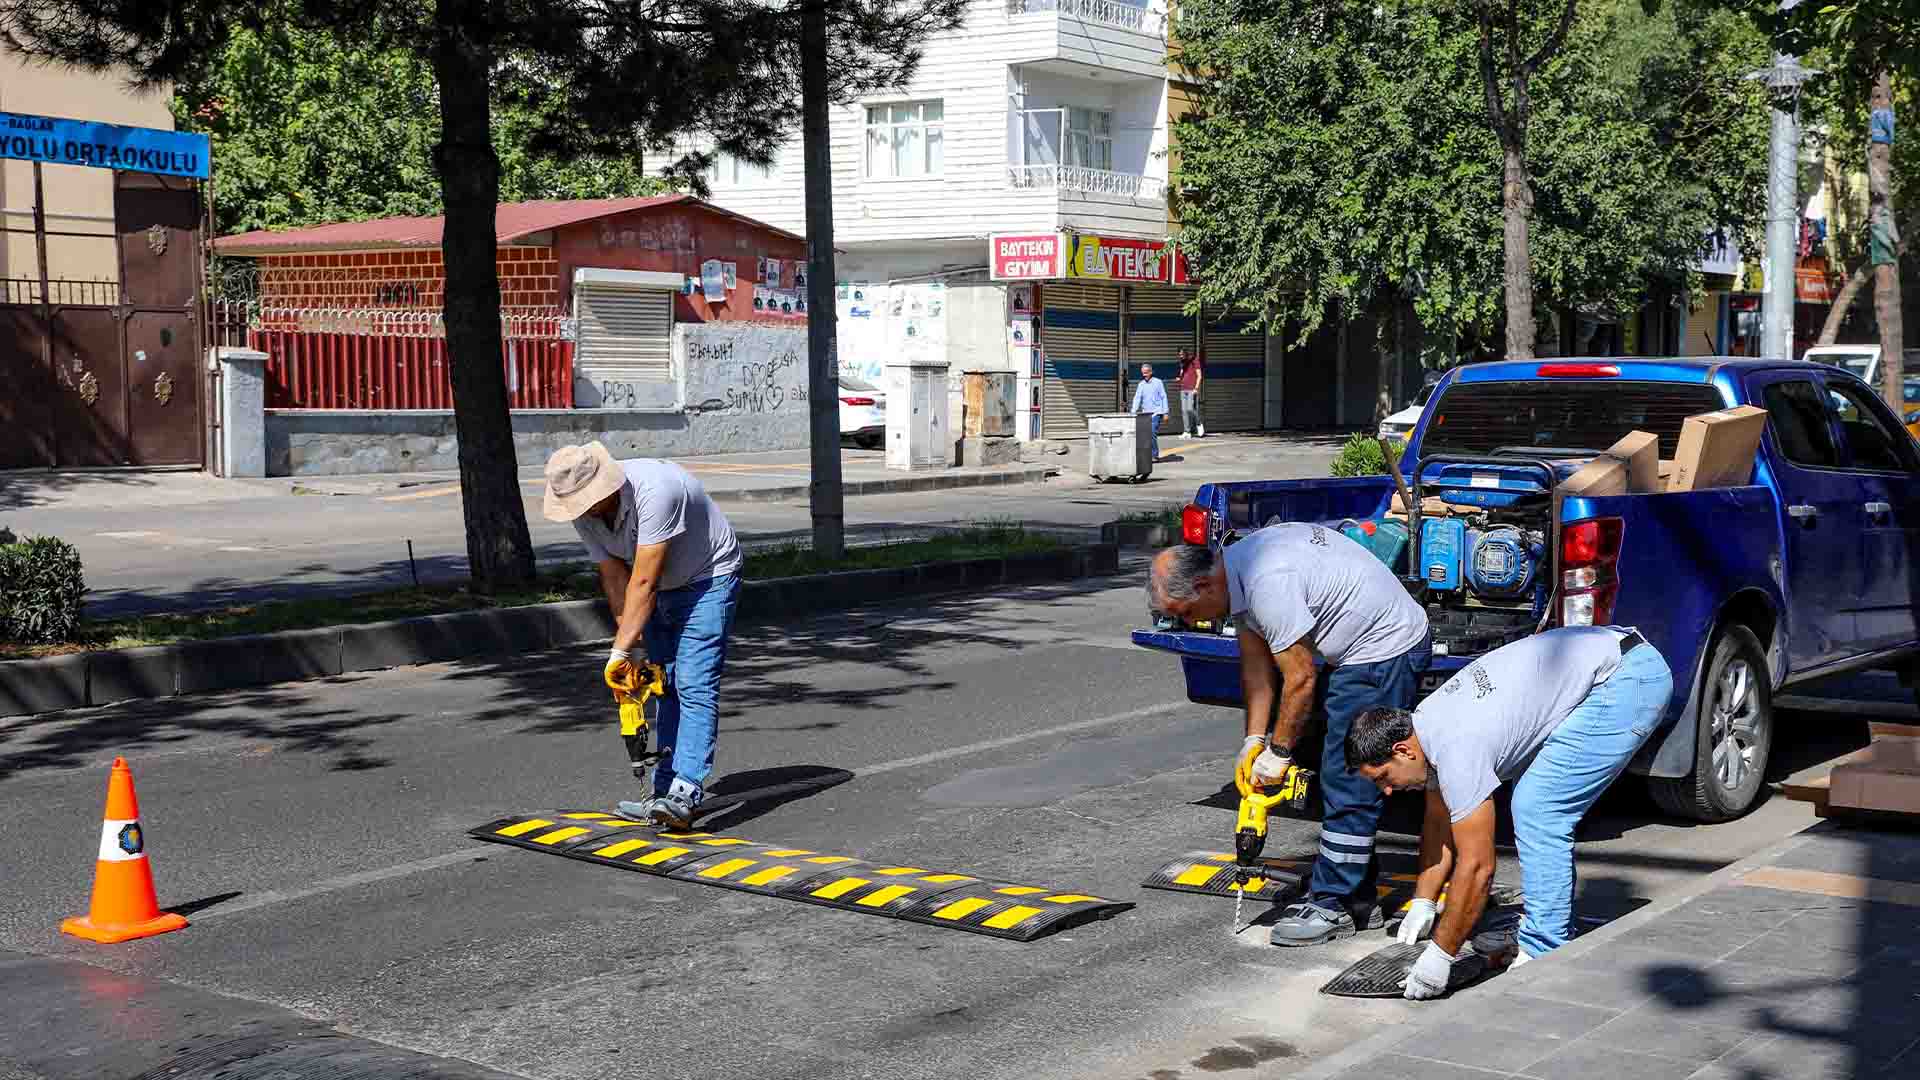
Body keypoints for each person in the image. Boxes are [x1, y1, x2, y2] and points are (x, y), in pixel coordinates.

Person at [1345, 626, 1674, 999]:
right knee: (1534, 798)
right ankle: (1545, 927)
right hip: (1611, 662)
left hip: (1627, 680)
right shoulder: (1427, 726)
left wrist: (1440, 954)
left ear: (1403, 751)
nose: (1387, 791)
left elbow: (1479, 867)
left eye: (1384, 778)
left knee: (1538, 806)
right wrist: (1424, 900)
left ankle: (1544, 948)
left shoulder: (1457, 748)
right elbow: (1439, 818)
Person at [1149, 525, 1432, 946]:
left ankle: (1333, 902)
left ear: (1204, 583)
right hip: (1356, 648)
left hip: (1383, 650)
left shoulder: (1266, 584)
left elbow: (1299, 679)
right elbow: (1258, 673)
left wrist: (1279, 753)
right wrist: (1254, 741)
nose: (1191, 621)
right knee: (1335, 771)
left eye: (1187, 612)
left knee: (1350, 775)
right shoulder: (1239, 573)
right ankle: (1357, 897)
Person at [542, 441, 744, 829]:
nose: (581, 510)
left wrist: (615, 654)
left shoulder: (656, 489)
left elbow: (645, 579)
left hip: (708, 578)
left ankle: (685, 790)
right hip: (657, 586)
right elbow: (615, 575)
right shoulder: (584, 512)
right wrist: (629, 647)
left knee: (694, 683)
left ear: (605, 487)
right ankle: (664, 790)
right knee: (663, 683)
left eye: (586, 500)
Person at [1131, 362, 1169, 462]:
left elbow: (1163, 397)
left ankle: (1154, 455)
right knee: (1145, 434)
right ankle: (1147, 454)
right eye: (1143, 373)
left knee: (1152, 432)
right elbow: (1137, 398)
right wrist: (1132, 412)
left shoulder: (1158, 382)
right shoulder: (1141, 385)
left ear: (1151, 372)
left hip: (1156, 412)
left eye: (1146, 372)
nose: (1145, 375)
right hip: (1145, 414)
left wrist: (1165, 412)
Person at [1177, 349, 1206, 437]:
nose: (1180, 356)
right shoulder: (1182, 362)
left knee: (1190, 408)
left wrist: (1196, 388)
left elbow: (1199, 376)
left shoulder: (1194, 360)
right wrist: (1179, 378)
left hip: (1191, 388)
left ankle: (1199, 423)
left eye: (1182, 354)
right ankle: (1187, 431)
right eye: (1179, 355)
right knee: (1184, 411)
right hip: (1183, 388)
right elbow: (1181, 373)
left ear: (1186, 353)